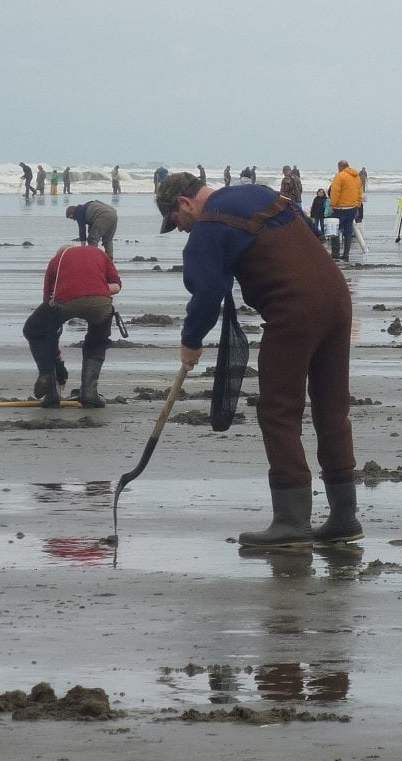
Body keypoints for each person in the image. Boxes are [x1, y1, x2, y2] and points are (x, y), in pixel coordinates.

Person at [154, 172, 362, 548]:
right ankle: (345, 518)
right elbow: (312, 232)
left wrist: (190, 342)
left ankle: (291, 521)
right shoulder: (262, 194)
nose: (181, 230)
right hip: (337, 296)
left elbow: (207, 292)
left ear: (184, 204)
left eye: (176, 222)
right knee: (332, 408)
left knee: (278, 410)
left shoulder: (210, 225)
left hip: (294, 308)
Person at [22, 243, 120, 408]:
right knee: (97, 342)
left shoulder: (57, 260)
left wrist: (58, 363)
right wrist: (94, 290)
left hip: (65, 300)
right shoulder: (100, 254)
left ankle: (50, 388)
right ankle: (89, 393)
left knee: (34, 329)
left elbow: (48, 299)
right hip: (101, 302)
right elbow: (116, 286)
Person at [328, 159, 364, 261]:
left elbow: (335, 192)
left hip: (339, 208)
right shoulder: (356, 177)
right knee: (348, 231)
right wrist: (357, 205)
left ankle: (335, 253)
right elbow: (359, 192)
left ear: (340, 167)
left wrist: (332, 205)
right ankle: (346, 254)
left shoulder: (340, 176)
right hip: (352, 208)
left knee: (335, 230)